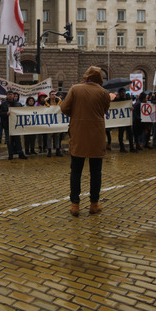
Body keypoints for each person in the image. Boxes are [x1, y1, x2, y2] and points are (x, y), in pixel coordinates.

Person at [61, 66, 111, 216]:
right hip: (97, 135)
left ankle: (75, 205)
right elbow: (105, 110)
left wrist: (75, 113)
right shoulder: (104, 92)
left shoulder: (75, 89)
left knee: (75, 171)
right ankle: (94, 204)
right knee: (96, 172)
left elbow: (64, 108)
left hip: (78, 134)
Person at [0, 90, 27, 160]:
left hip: (16, 125)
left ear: (13, 95)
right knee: (9, 141)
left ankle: (20, 153)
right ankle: (10, 153)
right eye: (9, 94)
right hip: (7, 125)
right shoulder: (3, 104)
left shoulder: (18, 104)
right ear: (7, 95)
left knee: (18, 139)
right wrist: (6, 113)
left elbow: (22, 113)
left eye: (11, 94)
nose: (10, 96)